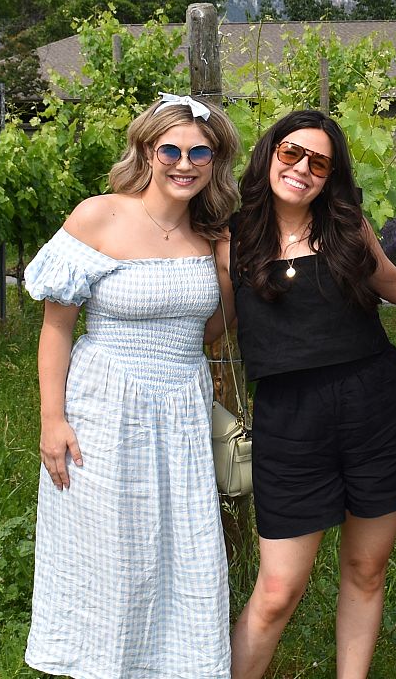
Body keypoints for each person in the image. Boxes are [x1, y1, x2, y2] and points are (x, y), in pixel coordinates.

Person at [21, 93, 242, 679]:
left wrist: (224, 268)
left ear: (216, 161)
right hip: (105, 405)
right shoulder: (100, 216)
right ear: (147, 151)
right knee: (110, 552)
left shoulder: (212, 235)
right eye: (170, 148)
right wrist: (52, 419)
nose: (184, 162)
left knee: (180, 552)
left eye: (200, 151)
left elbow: (213, 333)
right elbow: (56, 328)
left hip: (182, 408)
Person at [228, 110, 396, 679]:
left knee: (366, 570)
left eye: (319, 161)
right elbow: (209, 322)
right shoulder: (229, 238)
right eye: (292, 153)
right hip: (289, 423)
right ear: (269, 155)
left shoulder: (349, 228)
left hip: (377, 409)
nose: (302, 169)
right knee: (279, 589)